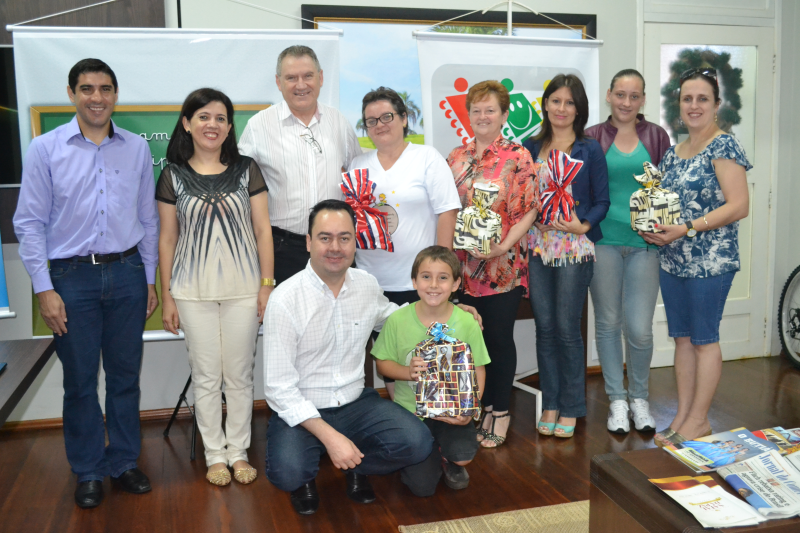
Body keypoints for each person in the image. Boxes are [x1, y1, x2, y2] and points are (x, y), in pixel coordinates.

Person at [13, 58, 159, 508]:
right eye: (87, 88)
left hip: (128, 273)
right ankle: (89, 470)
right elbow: (29, 222)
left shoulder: (136, 148)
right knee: (78, 381)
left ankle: (124, 462)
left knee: (123, 378)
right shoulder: (45, 148)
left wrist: (150, 279)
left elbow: (148, 220)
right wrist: (43, 288)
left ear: (116, 94)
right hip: (70, 279)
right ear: (72, 93)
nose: (97, 97)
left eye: (105, 88)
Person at [261, 200, 433, 516]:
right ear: (309, 242)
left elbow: (395, 320)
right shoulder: (285, 299)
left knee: (417, 443)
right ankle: (310, 474)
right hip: (304, 407)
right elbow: (278, 389)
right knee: (287, 473)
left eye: (344, 237)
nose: (335, 247)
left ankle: (358, 467)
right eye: (325, 237)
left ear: (355, 241)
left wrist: (447, 314)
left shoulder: (366, 285)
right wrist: (330, 437)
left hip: (356, 403)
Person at [156, 88, 274, 486]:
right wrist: (167, 295)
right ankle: (214, 455)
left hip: (244, 289)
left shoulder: (247, 169)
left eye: (221, 118)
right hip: (191, 291)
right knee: (206, 376)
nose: (213, 124)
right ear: (187, 123)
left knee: (240, 374)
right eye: (204, 117)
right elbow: (167, 239)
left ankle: (238, 451)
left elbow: (262, 231)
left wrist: (266, 285)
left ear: (229, 127)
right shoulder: (172, 175)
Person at [644, 68, 750, 447]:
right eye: (687, 98)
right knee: (684, 340)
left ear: (716, 105)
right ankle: (683, 419)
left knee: (704, 339)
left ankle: (700, 420)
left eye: (702, 99)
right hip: (673, 259)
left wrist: (688, 227)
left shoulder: (724, 146)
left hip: (711, 262)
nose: (694, 105)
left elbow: (739, 206)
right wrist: (653, 226)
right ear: (679, 104)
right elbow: (667, 205)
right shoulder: (673, 154)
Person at [350, 86, 461, 400]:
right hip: (372, 283)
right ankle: (404, 426)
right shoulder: (358, 165)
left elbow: (447, 212)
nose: (380, 124)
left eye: (387, 116)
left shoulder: (426, 157)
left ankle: (436, 424)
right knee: (391, 362)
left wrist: (441, 274)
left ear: (403, 118)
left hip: (419, 281)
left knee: (429, 357)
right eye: (371, 121)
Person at [447, 80, 538, 448]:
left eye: (491, 110)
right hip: (464, 268)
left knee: (498, 339)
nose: (483, 116)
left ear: (503, 115)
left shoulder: (518, 156)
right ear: (468, 115)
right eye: (477, 110)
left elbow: (530, 209)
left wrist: (501, 246)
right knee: (472, 340)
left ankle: (500, 411)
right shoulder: (455, 157)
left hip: (503, 266)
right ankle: (481, 405)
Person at [522, 74, 610, 439]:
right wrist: (535, 218)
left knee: (566, 328)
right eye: (555, 101)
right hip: (539, 247)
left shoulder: (589, 149)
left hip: (574, 248)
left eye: (569, 102)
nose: (561, 108)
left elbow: (603, 200)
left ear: (579, 108)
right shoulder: (530, 146)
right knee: (544, 328)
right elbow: (523, 195)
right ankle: (552, 402)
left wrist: (583, 225)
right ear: (545, 105)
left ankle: (572, 406)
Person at [585, 69, 671, 434]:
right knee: (607, 324)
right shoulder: (591, 137)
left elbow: (670, 187)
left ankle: (640, 398)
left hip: (644, 245)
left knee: (639, 329)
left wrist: (668, 228)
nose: (626, 102)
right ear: (609, 95)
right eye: (620, 94)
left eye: (634, 96)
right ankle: (617, 401)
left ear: (643, 100)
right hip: (603, 240)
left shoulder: (656, 136)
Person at [372, 246, 489, 496]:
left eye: (443, 277)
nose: (434, 284)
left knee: (463, 456)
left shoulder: (467, 322)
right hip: (410, 412)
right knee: (422, 488)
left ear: (456, 283)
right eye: (426, 276)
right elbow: (382, 364)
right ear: (414, 281)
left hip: (452, 408)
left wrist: (471, 408)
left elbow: (478, 367)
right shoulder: (397, 320)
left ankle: (449, 457)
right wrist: (408, 371)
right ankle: (427, 453)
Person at [239, 45, 360, 283]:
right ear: (278, 82)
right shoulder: (258, 126)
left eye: (308, 76)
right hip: (282, 249)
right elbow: (240, 188)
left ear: (321, 77)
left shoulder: (339, 123)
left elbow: (358, 178)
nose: (301, 85)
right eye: (291, 78)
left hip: (336, 249)